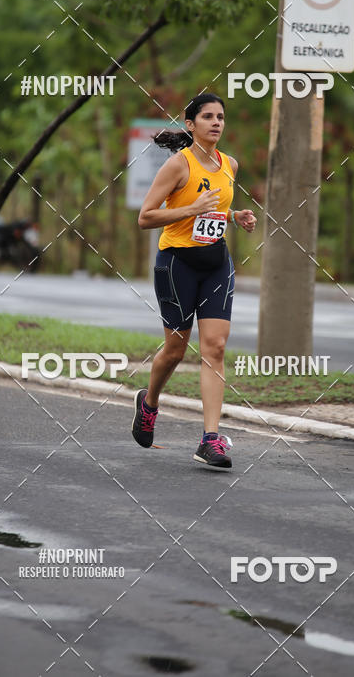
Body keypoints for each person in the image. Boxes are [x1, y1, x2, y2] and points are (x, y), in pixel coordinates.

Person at [133, 93, 257, 468]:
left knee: (215, 348)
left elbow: (214, 209)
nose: (216, 122)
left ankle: (210, 440)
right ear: (191, 124)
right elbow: (146, 217)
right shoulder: (177, 165)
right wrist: (191, 209)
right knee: (175, 350)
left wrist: (235, 216)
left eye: (221, 117)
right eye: (208, 117)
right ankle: (149, 402)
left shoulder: (229, 164)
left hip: (216, 262)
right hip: (177, 264)